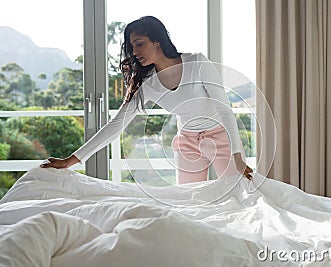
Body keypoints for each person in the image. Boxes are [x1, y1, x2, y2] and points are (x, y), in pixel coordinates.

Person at [41, 15, 253, 183]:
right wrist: (71, 160)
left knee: (238, 197)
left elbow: (224, 108)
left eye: (139, 44)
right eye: (131, 46)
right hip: (188, 142)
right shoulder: (147, 84)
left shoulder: (196, 62)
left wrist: (236, 153)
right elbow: (116, 125)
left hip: (221, 137)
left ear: (157, 41)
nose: (134, 51)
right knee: (189, 205)